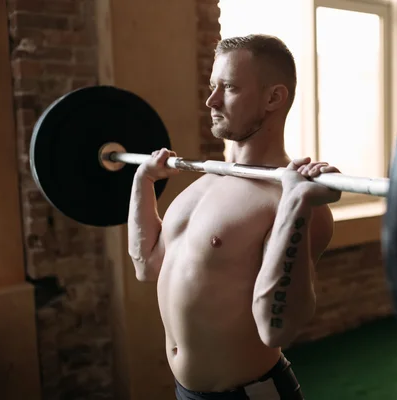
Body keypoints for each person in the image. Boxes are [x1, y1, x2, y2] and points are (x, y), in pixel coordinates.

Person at [127, 34, 342, 400]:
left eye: (228, 87)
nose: (211, 100)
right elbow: (147, 266)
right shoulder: (200, 185)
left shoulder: (293, 203)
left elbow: (277, 328)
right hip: (187, 392)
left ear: (274, 98)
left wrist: (295, 204)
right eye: (213, 86)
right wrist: (142, 179)